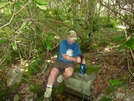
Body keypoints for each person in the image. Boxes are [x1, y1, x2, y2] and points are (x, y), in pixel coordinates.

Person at [44, 30, 85, 98]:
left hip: (69, 64)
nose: (72, 41)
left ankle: (60, 78)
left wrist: (82, 59)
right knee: (52, 73)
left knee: (69, 73)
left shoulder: (76, 45)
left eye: (74, 39)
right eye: (71, 39)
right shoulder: (63, 43)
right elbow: (64, 56)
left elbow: (80, 54)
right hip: (60, 61)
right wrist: (75, 59)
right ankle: (48, 91)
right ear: (68, 37)